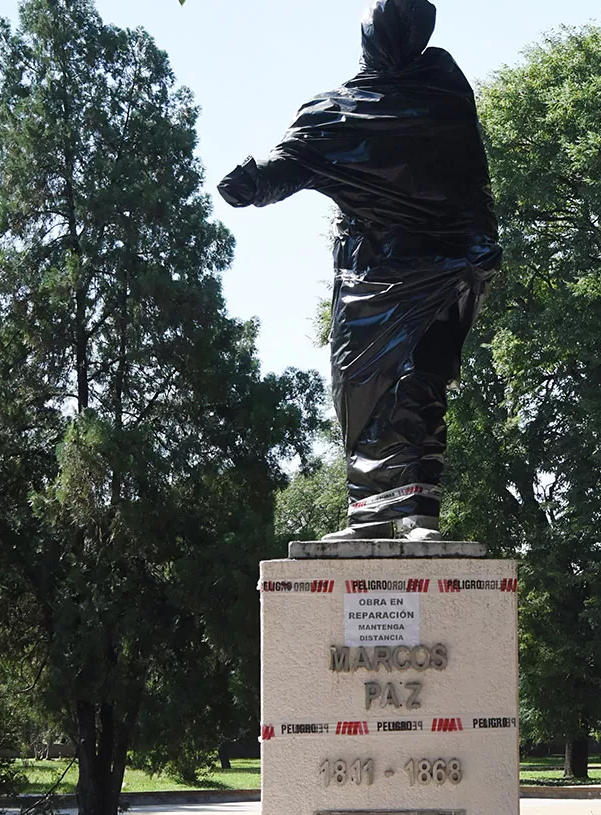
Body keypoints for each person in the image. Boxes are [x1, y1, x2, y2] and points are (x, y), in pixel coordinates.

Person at [217, 0, 500, 541]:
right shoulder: (371, 103)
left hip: (422, 269)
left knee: (407, 384)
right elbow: (297, 158)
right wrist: (257, 181)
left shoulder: (429, 91)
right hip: (403, 271)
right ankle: (375, 515)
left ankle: (411, 514)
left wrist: (256, 180)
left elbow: (296, 159)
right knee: (380, 386)